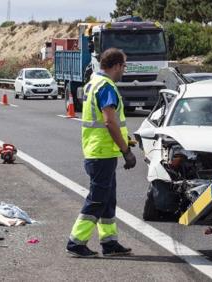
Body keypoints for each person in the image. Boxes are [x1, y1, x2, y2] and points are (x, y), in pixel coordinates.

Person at [66, 48, 136, 258]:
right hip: (102, 152)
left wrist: (125, 142)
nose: (124, 69)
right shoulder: (106, 86)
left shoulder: (93, 82)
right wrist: (126, 151)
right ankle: (76, 242)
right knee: (98, 199)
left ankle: (109, 242)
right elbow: (109, 121)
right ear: (115, 66)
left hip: (99, 149)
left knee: (107, 198)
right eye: (123, 65)